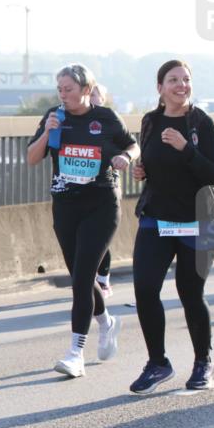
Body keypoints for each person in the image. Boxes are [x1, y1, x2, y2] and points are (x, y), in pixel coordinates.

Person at [27, 64, 140, 378]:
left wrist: (125, 157)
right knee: (80, 275)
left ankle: (75, 353)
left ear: (86, 90)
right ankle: (106, 321)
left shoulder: (105, 118)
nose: (63, 95)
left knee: (81, 279)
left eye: (69, 89)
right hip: (66, 207)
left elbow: (132, 144)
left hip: (101, 205)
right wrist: (47, 132)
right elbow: (32, 158)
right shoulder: (54, 116)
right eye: (59, 89)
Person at [128, 60, 214, 394]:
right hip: (157, 218)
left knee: (190, 293)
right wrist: (141, 170)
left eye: (186, 79)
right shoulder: (150, 121)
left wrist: (186, 148)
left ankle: (203, 361)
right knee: (144, 289)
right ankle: (158, 363)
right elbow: (152, 162)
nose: (181, 85)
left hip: (198, 221)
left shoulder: (201, 123)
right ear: (160, 88)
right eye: (173, 80)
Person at [90, 83, 114, 299]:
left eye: (95, 95)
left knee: (101, 237)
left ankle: (103, 279)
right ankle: (88, 281)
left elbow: (126, 146)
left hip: (108, 185)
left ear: (103, 99)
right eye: (88, 93)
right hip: (82, 189)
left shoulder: (109, 120)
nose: (91, 97)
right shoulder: (73, 120)